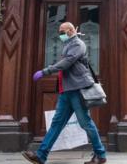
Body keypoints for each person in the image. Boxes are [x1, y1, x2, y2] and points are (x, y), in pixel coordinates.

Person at [22, 22, 107, 164]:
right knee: (56, 123)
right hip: (66, 91)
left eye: (62, 31)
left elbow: (67, 62)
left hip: (77, 90)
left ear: (71, 30)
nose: (60, 34)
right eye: (59, 31)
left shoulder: (78, 44)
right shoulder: (69, 44)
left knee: (85, 123)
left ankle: (100, 155)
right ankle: (41, 156)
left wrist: (45, 71)